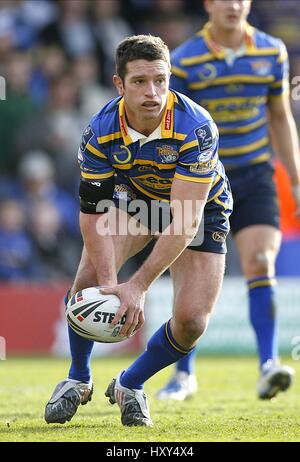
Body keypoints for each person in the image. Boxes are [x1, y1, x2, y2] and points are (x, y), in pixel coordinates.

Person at [44, 34, 232, 427]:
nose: (152, 92)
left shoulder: (195, 128)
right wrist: (113, 282)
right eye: (140, 82)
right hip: (140, 205)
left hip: (199, 211)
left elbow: (185, 219)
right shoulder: (99, 131)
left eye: (161, 80)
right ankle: (78, 378)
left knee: (193, 321)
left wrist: (139, 286)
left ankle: (130, 383)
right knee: (88, 280)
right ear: (119, 84)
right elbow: (93, 214)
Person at [156, 0, 300, 402]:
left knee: (260, 262)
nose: (234, 5)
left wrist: (297, 179)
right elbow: (175, 128)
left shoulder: (272, 52)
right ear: (208, 5)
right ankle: (182, 375)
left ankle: (268, 365)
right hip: (202, 181)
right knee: (190, 280)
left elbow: (280, 116)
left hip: (255, 174)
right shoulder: (185, 60)